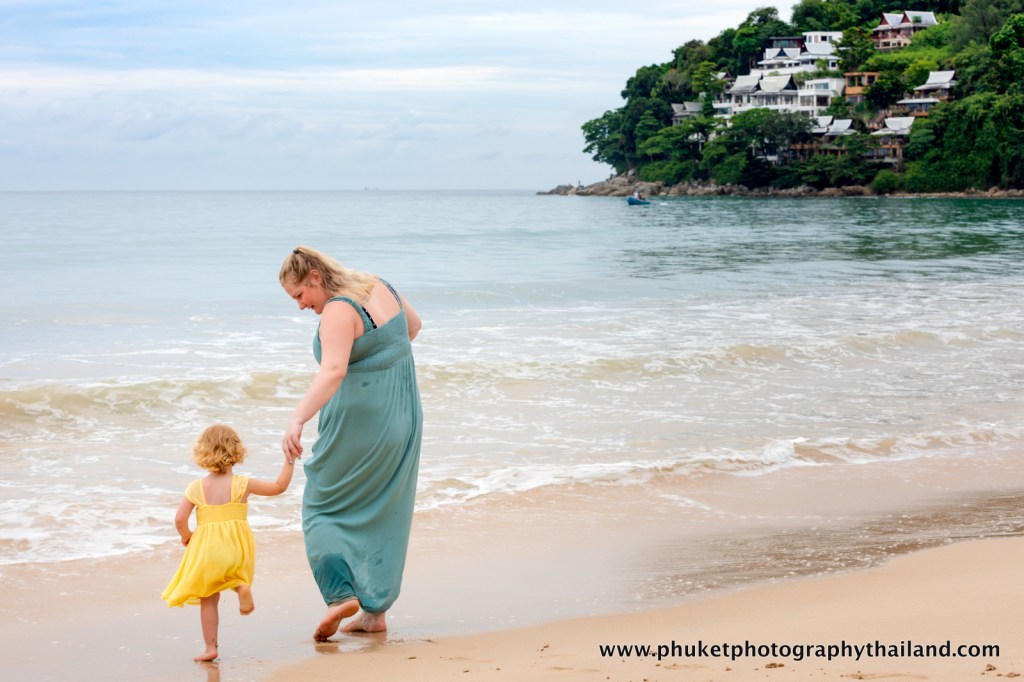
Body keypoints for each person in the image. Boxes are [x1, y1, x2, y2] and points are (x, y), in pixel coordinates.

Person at [278, 246, 423, 641]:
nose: (301, 306)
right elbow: (413, 328)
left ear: (314, 277)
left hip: (360, 425)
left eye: (299, 296)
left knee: (320, 506)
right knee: (386, 507)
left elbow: (334, 369)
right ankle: (374, 613)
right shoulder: (380, 285)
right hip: (403, 415)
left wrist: (297, 418)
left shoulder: (338, 310)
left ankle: (339, 596)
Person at [162, 423, 295, 661]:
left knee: (209, 599)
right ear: (236, 451)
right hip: (236, 544)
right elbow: (278, 487)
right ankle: (240, 586)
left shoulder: (195, 488)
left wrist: (187, 536)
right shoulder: (243, 484)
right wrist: (290, 459)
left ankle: (210, 647)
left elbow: (179, 519)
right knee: (233, 573)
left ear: (203, 451)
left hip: (206, 547)